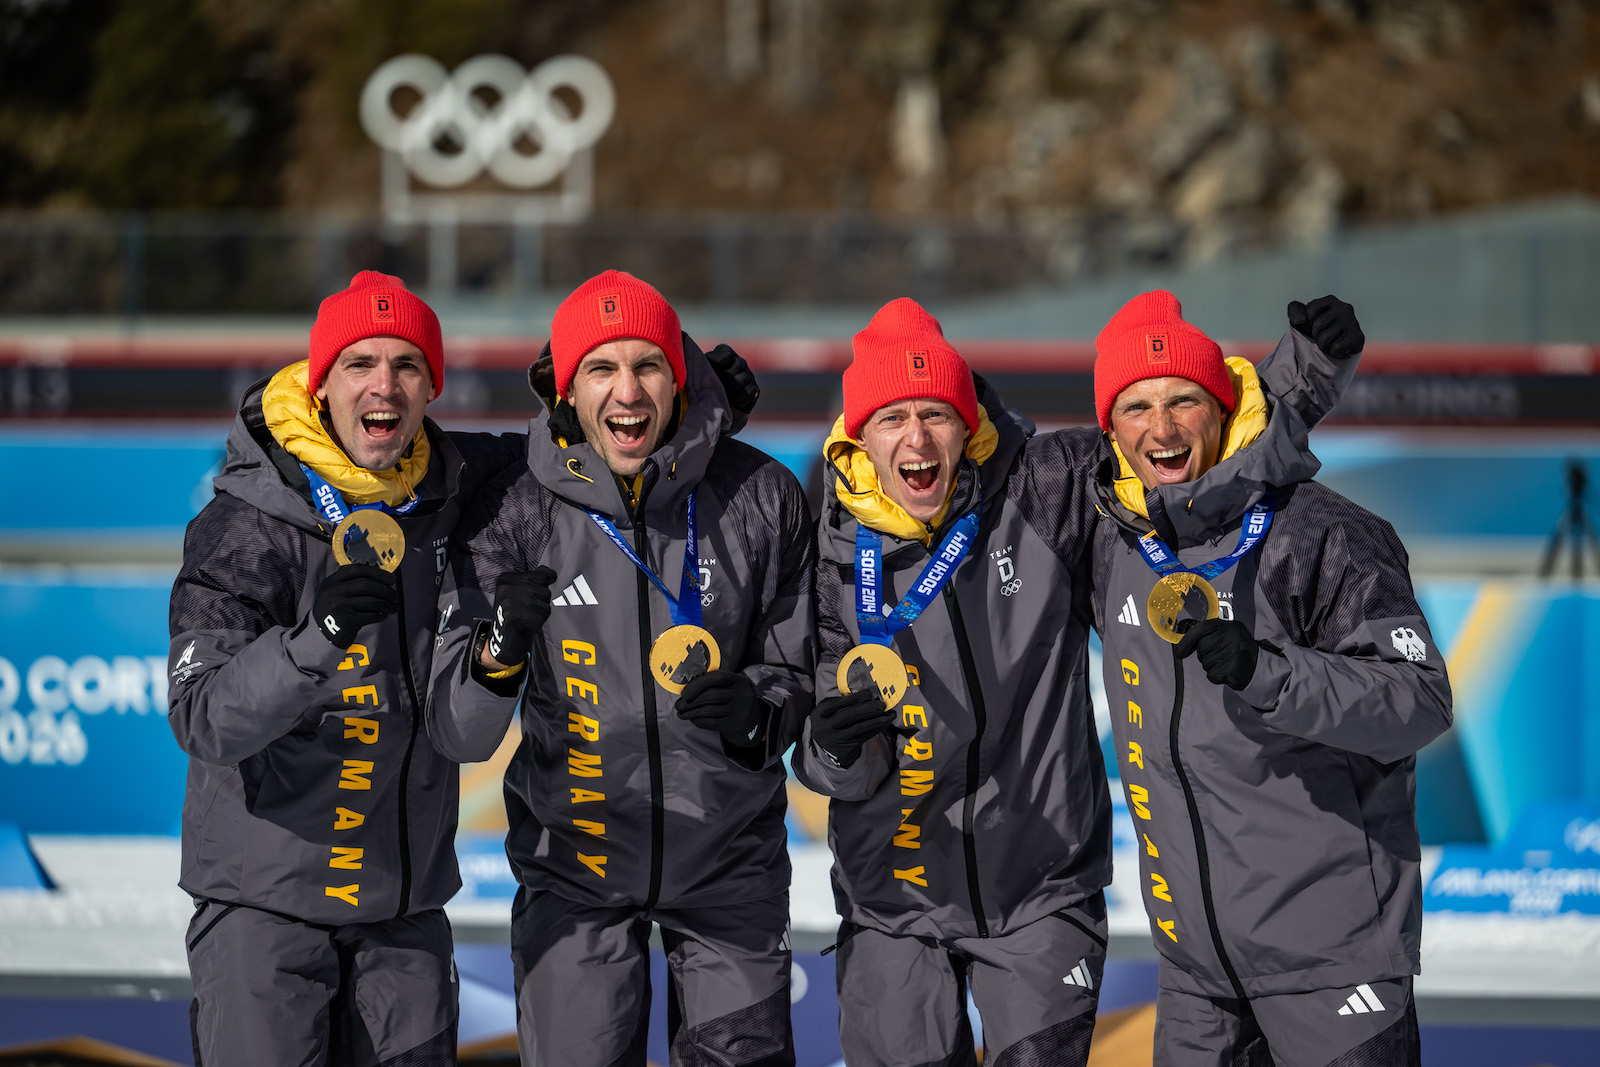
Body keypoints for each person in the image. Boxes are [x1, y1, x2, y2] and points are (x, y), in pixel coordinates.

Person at [793, 296, 1359, 1067]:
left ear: (970, 423)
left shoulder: (1044, 486)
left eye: (936, 414)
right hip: (894, 902)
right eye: (893, 419)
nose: (918, 438)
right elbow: (827, 758)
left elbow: (1178, 452)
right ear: (862, 438)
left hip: (1042, 891)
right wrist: (829, 748)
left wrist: (1301, 379)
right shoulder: (829, 551)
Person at [428, 270, 814, 1067]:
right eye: (601, 368)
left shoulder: (759, 494)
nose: (627, 390)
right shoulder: (516, 507)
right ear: (567, 390)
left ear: (680, 378)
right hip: (576, 876)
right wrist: (496, 652)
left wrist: (757, 713)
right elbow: (462, 731)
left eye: (647, 365)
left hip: (728, 869)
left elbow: (795, 668)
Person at [167, 271, 526, 1065]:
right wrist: (317, 636)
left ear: (433, 385)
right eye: (361, 362)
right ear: (321, 381)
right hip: (265, 916)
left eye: (406, 365)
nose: (384, 384)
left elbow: (602, 440)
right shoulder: (244, 522)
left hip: (402, 916)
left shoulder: (459, 488)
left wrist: (703, 398)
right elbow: (204, 719)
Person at [1090, 291, 1452, 1066]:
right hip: (1196, 977)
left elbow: (1419, 699)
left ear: (1223, 406)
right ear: (1111, 429)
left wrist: (1270, 672)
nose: (1162, 427)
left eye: (1184, 399)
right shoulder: (1113, 539)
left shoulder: (1324, 532)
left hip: (1332, 963)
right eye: (1137, 405)